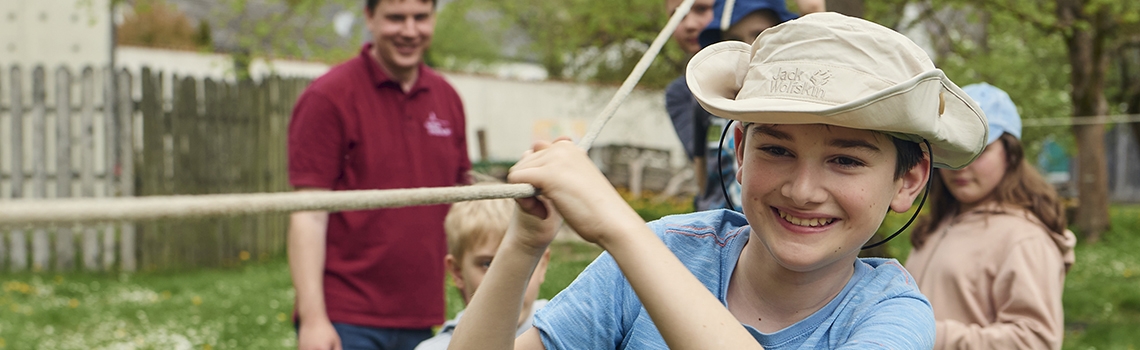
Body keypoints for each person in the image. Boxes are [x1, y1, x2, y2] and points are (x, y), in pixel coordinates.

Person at [448, 12, 989, 349]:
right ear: (739, 150)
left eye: (845, 160)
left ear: (909, 178)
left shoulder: (892, 316)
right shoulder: (666, 250)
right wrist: (523, 244)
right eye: (776, 149)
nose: (802, 190)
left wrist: (621, 228)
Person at [286, 0, 470, 349]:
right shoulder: (328, 97)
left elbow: (464, 208)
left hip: (422, 315)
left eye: (421, 17)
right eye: (396, 18)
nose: (410, 31)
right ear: (369, 17)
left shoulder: (447, 98)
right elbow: (308, 215)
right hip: (346, 318)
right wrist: (312, 319)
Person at [904, 83, 1077, 349]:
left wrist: (924, 332)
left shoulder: (1024, 237)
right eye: (954, 148)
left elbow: (1035, 341)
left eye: (979, 149)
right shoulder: (940, 222)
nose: (963, 164)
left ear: (1011, 155)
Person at [665, 0, 817, 212]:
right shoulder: (706, 97)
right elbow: (700, 161)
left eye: (759, 35)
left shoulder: (792, 96)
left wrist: (814, 11)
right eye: (735, 39)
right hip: (718, 215)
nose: (750, 47)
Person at [415, 194, 552, 350]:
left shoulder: (568, 328)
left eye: (525, 261)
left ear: (543, 265)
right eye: (487, 264)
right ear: (457, 272)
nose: (507, 283)